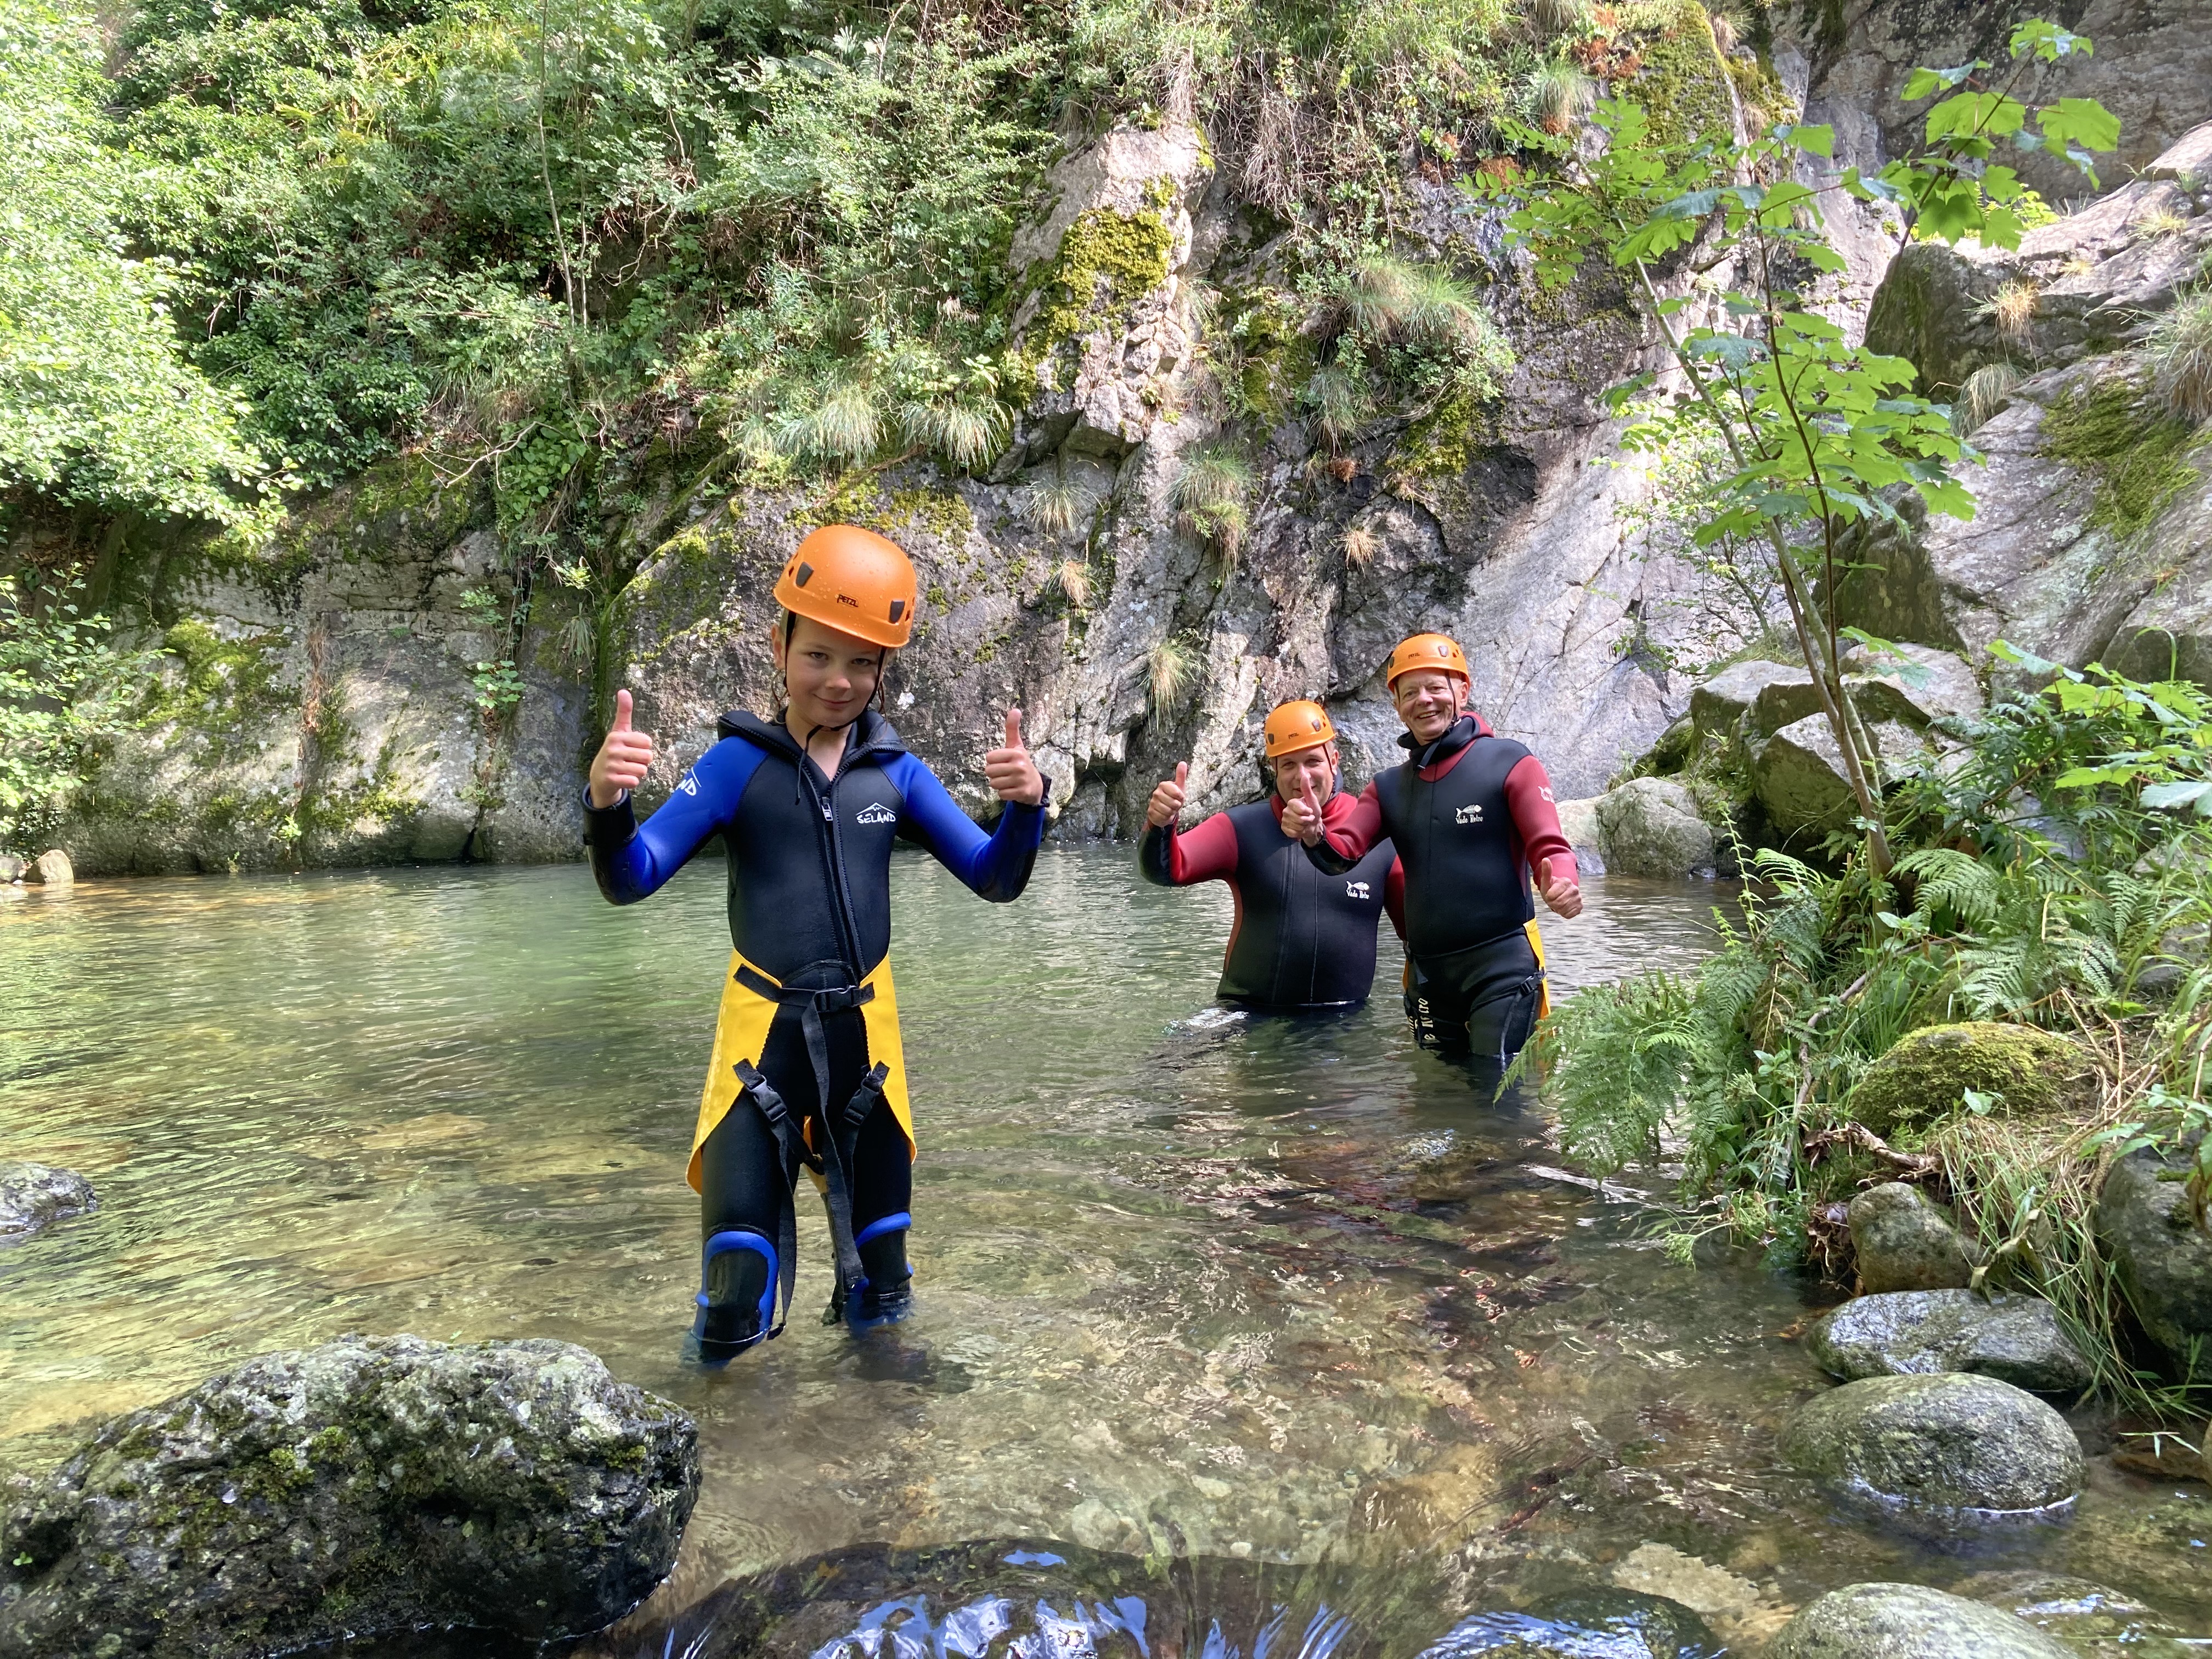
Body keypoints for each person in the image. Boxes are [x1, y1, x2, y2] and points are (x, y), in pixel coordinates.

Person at [582, 523, 1048, 1366]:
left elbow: (995, 879)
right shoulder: (734, 767)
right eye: (819, 656)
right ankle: (715, 1435)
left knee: (884, 1283)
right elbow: (631, 879)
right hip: (759, 1047)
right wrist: (608, 806)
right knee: (735, 1285)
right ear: (779, 646)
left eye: (863, 663)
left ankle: (879, 1429)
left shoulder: (896, 773)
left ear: (884, 670)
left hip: (868, 1049)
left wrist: (1026, 808)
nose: (839, 681)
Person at [1280, 634, 1581, 1066]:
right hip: (1429, 976)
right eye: (1410, 693)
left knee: (1495, 1085)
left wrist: (1562, 882)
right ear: (1397, 706)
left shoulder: (1510, 762)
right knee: (1439, 1092)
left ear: (1463, 690)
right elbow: (1340, 855)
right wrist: (1312, 832)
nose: (1423, 700)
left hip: (1502, 964)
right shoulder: (1388, 788)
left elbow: (1550, 846)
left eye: (1435, 688)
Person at [1138, 700, 1404, 1013]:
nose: (1302, 778)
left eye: (1313, 761)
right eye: (1289, 765)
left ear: (1334, 761)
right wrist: (1160, 824)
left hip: (1343, 1021)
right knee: (1169, 1049)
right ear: (1274, 769)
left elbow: (1418, 937)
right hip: (1245, 1015)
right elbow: (1165, 872)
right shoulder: (1241, 828)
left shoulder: (1375, 832)